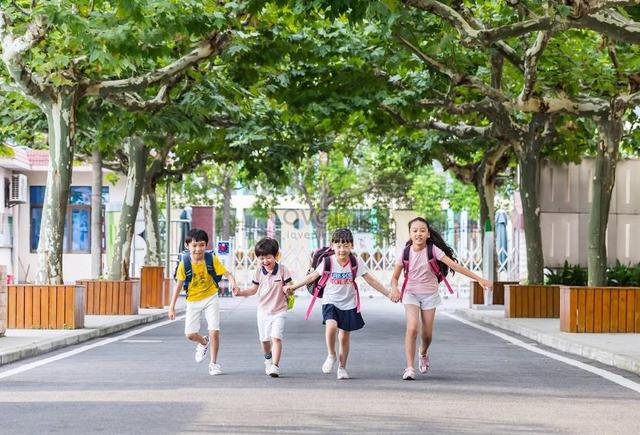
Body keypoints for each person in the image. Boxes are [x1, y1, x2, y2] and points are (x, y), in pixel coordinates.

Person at [283, 228, 398, 380]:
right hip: (330, 301)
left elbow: (371, 280)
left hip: (349, 304)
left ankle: (342, 367)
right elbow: (312, 277)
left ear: (351, 246)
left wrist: (388, 293)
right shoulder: (327, 262)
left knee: (344, 337)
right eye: (338, 246)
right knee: (331, 326)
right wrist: (294, 287)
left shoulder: (356, 262)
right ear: (332, 246)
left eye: (346, 246)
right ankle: (331, 355)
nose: (342, 249)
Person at [390, 217, 493, 380]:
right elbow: (395, 277)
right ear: (410, 234)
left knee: (427, 335)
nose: (418, 234)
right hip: (410, 293)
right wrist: (395, 288)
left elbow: (455, 266)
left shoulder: (434, 250)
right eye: (415, 231)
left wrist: (479, 279)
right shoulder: (404, 253)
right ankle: (409, 367)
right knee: (412, 328)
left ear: (428, 234)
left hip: (430, 294)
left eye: (422, 230)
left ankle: (423, 352)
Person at [168, 228, 239, 376]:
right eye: (194, 245)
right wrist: (171, 307)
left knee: (214, 331)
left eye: (201, 245)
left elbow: (227, 273)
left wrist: (233, 283)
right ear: (187, 246)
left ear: (206, 245)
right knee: (190, 334)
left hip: (210, 297)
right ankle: (203, 342)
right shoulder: (184, 263)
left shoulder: (210, 259)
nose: (198, 249)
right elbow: (178, 285)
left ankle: (213, 364)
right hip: (192, 300)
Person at [233, 237, 293, 378]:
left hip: (280, 310)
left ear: (276, 256)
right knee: (265, 340)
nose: (265, 261)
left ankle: (275, 366)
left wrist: (289, 289)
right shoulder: (259, 272)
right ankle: (268, 359)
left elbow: (290, 286)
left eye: (268, 257)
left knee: (276, 338)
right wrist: (240, 292)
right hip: (263, 312)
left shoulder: (283, 270)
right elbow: (253, 290)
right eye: (261, 258)